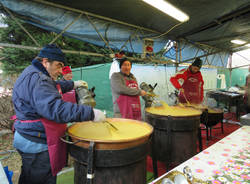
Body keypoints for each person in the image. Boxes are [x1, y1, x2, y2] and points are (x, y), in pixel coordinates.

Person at [12, 44, 105, 184]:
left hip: (28, 137)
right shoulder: (39, 80)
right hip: (36, 143)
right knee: (40, 179)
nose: (60, 71)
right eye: (58, 65)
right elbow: (56, 109)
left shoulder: (35, 73)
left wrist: (73, 84)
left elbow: (53, 86)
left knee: (29, 176)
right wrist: (91, 113)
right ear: (45, 61)